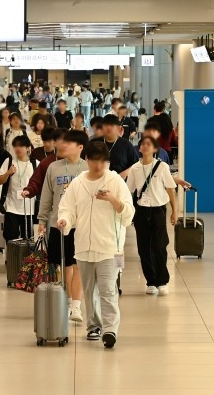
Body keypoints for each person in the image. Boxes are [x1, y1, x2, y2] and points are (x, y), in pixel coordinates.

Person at [58, 141, 135, 349]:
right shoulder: (78, 183)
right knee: (89, 289)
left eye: (103, 161)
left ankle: (110, 329)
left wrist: (112, 199)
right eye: (95, 161)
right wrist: (65, 220)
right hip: (83, 245)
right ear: (87, 161)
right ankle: (94, 325)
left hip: (109, 246)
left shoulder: (115, 181)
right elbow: (67, 207)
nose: (99, 166)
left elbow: (128, 212)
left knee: (108, 289)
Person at [39, 130, 89, 323]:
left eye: (68, 143)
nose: (62, 146)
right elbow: (46, 196)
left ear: (80, 147)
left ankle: (76, 306)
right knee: (63, 265)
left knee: (77, 265)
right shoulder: (53, 167)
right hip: (57, 224)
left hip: (81, 224)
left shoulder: (87, 168)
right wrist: (42, 220)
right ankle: (67, 301)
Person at [127, 137, 177, 296]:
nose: (145, 147)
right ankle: (151, 281)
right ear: (139, 148)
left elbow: (170, 189)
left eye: (149, 145)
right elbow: (129, 191)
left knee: (159, 246)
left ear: (155, 149)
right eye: (143, 144)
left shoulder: (162, 166)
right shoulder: (134, 168)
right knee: (143, 248)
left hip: (158, 210)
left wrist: (174, 211)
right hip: (141, 211)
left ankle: (162, 280)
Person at [0, 135, 34, 241]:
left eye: (21, 146)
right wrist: (8, 173)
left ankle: (26, 258)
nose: (18, 148)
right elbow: (0, 180)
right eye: (16, 146)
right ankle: (11, 257)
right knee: (10, 236)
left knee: (27, 238)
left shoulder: (34, 164)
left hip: (28, 207)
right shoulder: (9, 161)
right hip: (11, 206)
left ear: (28, 148)